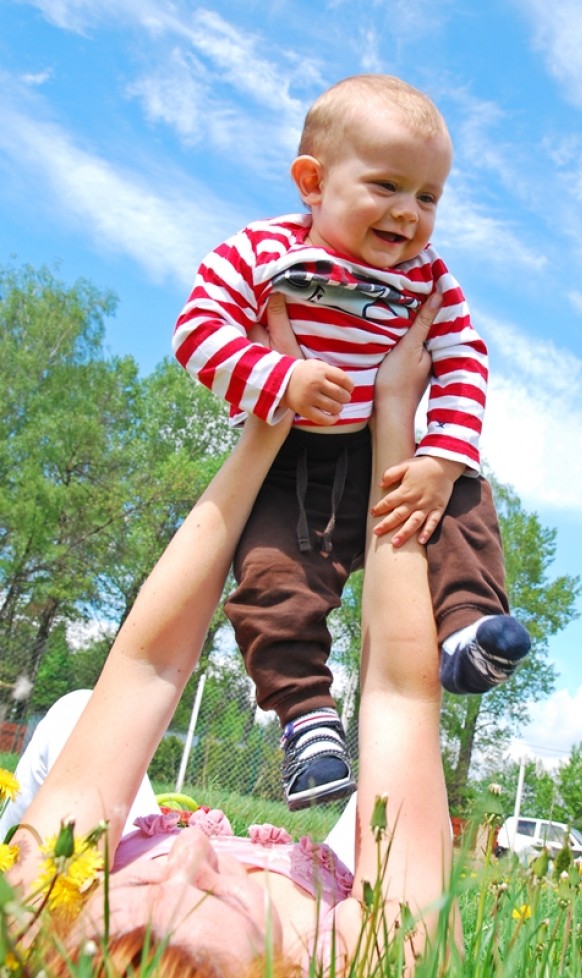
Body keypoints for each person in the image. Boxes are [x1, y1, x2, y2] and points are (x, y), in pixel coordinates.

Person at [6, 300, 455, 976]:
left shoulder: (49, 919)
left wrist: (268, 424)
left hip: (97, 874)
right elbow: (400, 697)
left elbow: (147, 667)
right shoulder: (366, 957)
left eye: (149, 887)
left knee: (76, 711)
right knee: (393, 808)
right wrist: (394, 418)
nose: (189, 856)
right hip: (320, 898)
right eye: (205, 897)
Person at [172, 73, 530, 809]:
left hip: (385, 453)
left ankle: (465, 630)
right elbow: (197, 330)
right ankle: (307, 722)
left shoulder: (429, 278)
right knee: (271, 577)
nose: (410, 213)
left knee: (462, 505)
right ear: (313, 181)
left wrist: (441, 456)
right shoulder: (262, 252)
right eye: (388, 186)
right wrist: (278, 377)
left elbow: (463, 358)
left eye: (428, 197)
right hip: (292, 460)